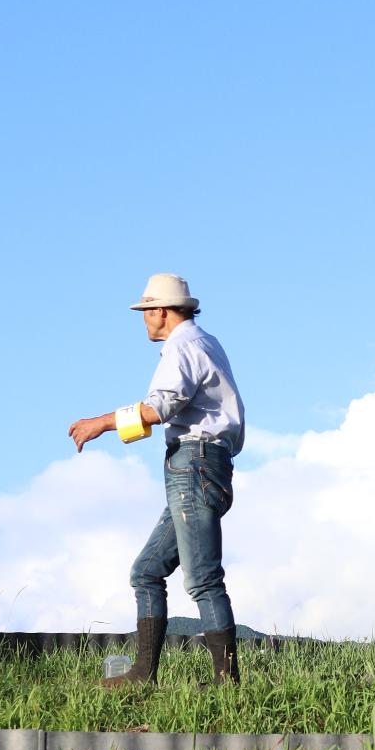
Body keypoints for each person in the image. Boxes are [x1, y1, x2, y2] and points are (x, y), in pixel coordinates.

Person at [68, 274, 245, 686]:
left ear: (161, 311)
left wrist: (103, 423)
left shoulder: (182, 347)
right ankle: (142, 674)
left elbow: (161, 405)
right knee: (146, 572)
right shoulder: (206, 342)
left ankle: (227, 682)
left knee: (203, 579)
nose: (144, 319)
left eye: (146, 311)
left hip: (195, 464)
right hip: (200, 465)